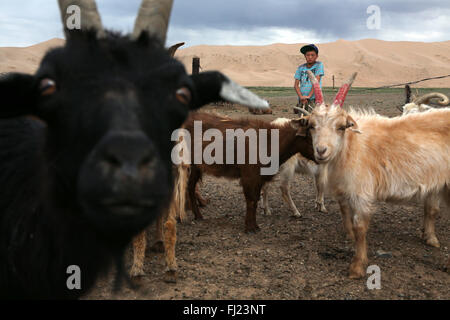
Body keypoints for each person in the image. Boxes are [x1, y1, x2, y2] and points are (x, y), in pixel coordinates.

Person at [294, 44, 324, 113]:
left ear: (316, 56)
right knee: (302, 121)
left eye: (312, 55)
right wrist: (301, 97)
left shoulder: (319, 65)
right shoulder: (300, 68)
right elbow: (296, 85)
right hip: (302, 100)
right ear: (305, 56)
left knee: (313, 120)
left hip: (314, 100)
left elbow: (316, 82)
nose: (310, 57)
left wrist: (309, 96)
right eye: (308, 55)